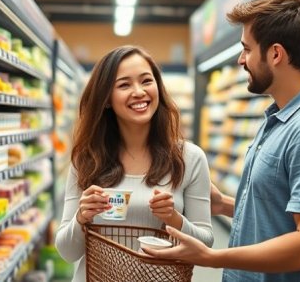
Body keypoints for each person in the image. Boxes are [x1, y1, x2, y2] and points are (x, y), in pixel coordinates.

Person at [145, 0, 300, 281]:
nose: (240, 60)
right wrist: (223, 204)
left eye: (247, 49)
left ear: (275, 54)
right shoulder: (282, 118)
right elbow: (283, 216)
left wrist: (211, 257)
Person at [54, 45, 214, 282]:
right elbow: (67, 253)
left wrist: (174, 219)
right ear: (106, 98)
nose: (139, 92)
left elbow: (205, 244)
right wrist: (81, 217)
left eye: (146, 81)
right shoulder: (87, 159)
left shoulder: (189, 158)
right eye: (124, 85)